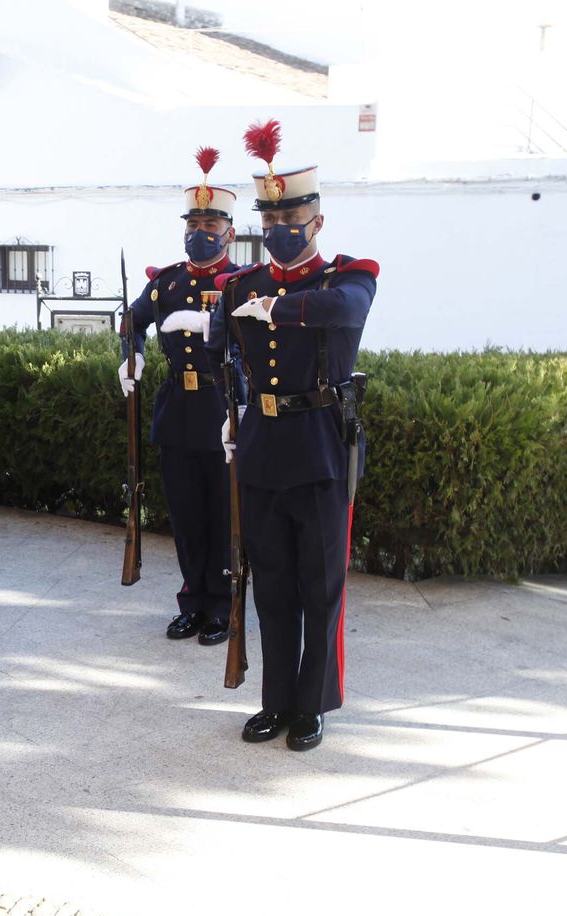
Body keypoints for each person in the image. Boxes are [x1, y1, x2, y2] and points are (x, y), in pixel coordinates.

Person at [211, 118, 378, 752]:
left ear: (316, 223)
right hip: (261, 450)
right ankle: (275, 702)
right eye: (269, 219)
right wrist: (233, 408)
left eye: (292, 220)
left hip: (320, 451)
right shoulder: (242, 286)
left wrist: (280, 307)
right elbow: (226, 351)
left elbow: (348, 313)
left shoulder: (346, 277)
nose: (278, 230)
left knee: (320, 587)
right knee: (272, 586)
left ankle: (313, 705)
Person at [119, 148, 244, 646]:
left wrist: (214, 330)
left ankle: (223, 604)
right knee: (187, 514)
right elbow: (132, 321)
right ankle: (192, 600)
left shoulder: (242, 285)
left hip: (222, 410)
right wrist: (135, 355)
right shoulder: (166, 282)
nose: (201, 232)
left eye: (211, 224)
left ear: (230, 233)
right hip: (178, 410)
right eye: (194, 222)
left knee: (222, 514)